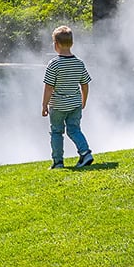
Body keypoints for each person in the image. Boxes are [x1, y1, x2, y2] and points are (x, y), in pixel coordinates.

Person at [41, 25, 93, 169]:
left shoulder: (54, 64)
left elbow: (49, 87)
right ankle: (85, 153)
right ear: (72, 43)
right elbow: (85, 84)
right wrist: (84, 101)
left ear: (55, 44)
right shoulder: (79, 63)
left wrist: (44, 105)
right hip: (75, 104)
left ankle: (58, 162)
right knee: (74, 130)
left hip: (58, 106)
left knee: (57, 132)